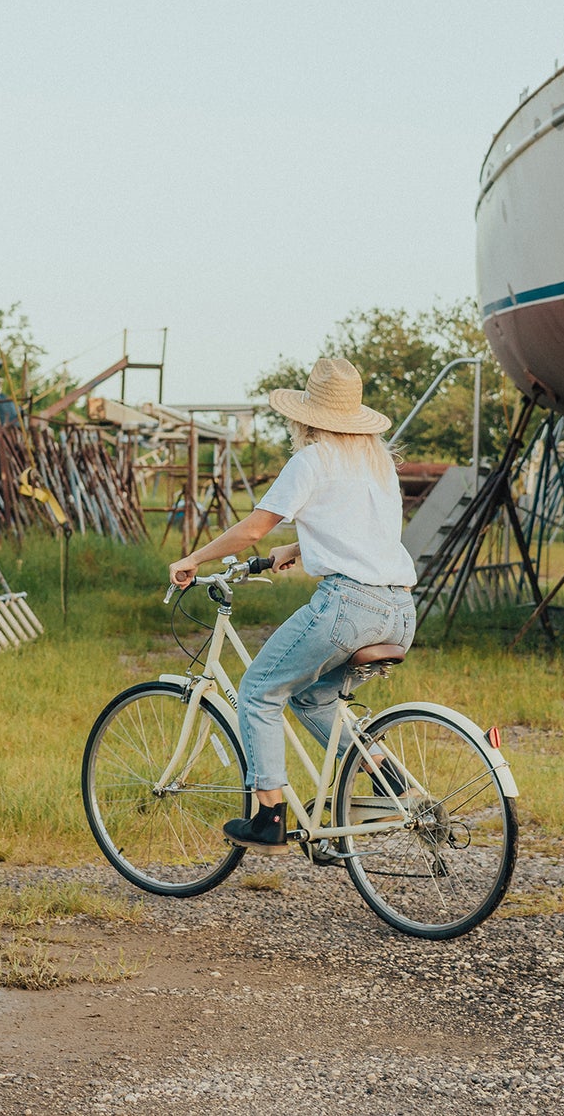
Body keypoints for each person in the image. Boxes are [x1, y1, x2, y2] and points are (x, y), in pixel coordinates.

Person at [168, 356, 418, 852]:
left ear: (305, 416)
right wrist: (299, 547)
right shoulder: (378, 461)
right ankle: (389, 779)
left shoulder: (311, 460)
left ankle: (269, 816)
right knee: (313, 697)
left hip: (348, 607)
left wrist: (194, 557)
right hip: (400, 612)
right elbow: (365, 533)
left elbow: (254, 528)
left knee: (260, 689)